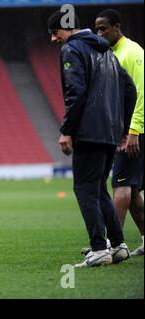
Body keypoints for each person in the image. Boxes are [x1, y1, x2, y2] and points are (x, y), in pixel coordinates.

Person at [47, 10, 136, 267]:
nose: (54, 39)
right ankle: (118, 245)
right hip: (109, 132)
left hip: (89, 132)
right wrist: (122, 127)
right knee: (99, 189)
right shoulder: (107, 51)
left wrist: (67, 130)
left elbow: (76, 92)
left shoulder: (72, 50)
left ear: (68, 28)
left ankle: (99, 248)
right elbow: (129, 89)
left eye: (55, 33)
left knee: (85, 189)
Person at [94, 9, 144, 257]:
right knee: (132, 190)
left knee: (120, 184)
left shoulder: (132, 53)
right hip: (122, 131)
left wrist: (134, 130)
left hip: (134, 131)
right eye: (96, 29)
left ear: (118, 27)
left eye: (103, 29)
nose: (99, 34)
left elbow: (143, 91)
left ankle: (113, 244)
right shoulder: (111, 54)